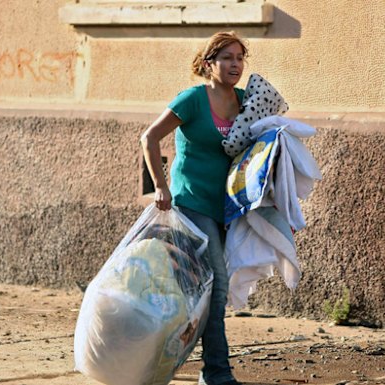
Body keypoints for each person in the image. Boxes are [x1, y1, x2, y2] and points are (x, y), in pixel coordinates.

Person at [140, 31, 248, 385]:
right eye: (227, 58)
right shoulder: (192, 100)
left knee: (195, 292)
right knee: (216, 287)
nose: (235, 64)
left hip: (227, 208)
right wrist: (160, 186)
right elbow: (150, 137)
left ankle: (154, 357)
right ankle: (217, 373)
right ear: (208, 64)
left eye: (240, 57)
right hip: (190, 204)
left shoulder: (247, 101)